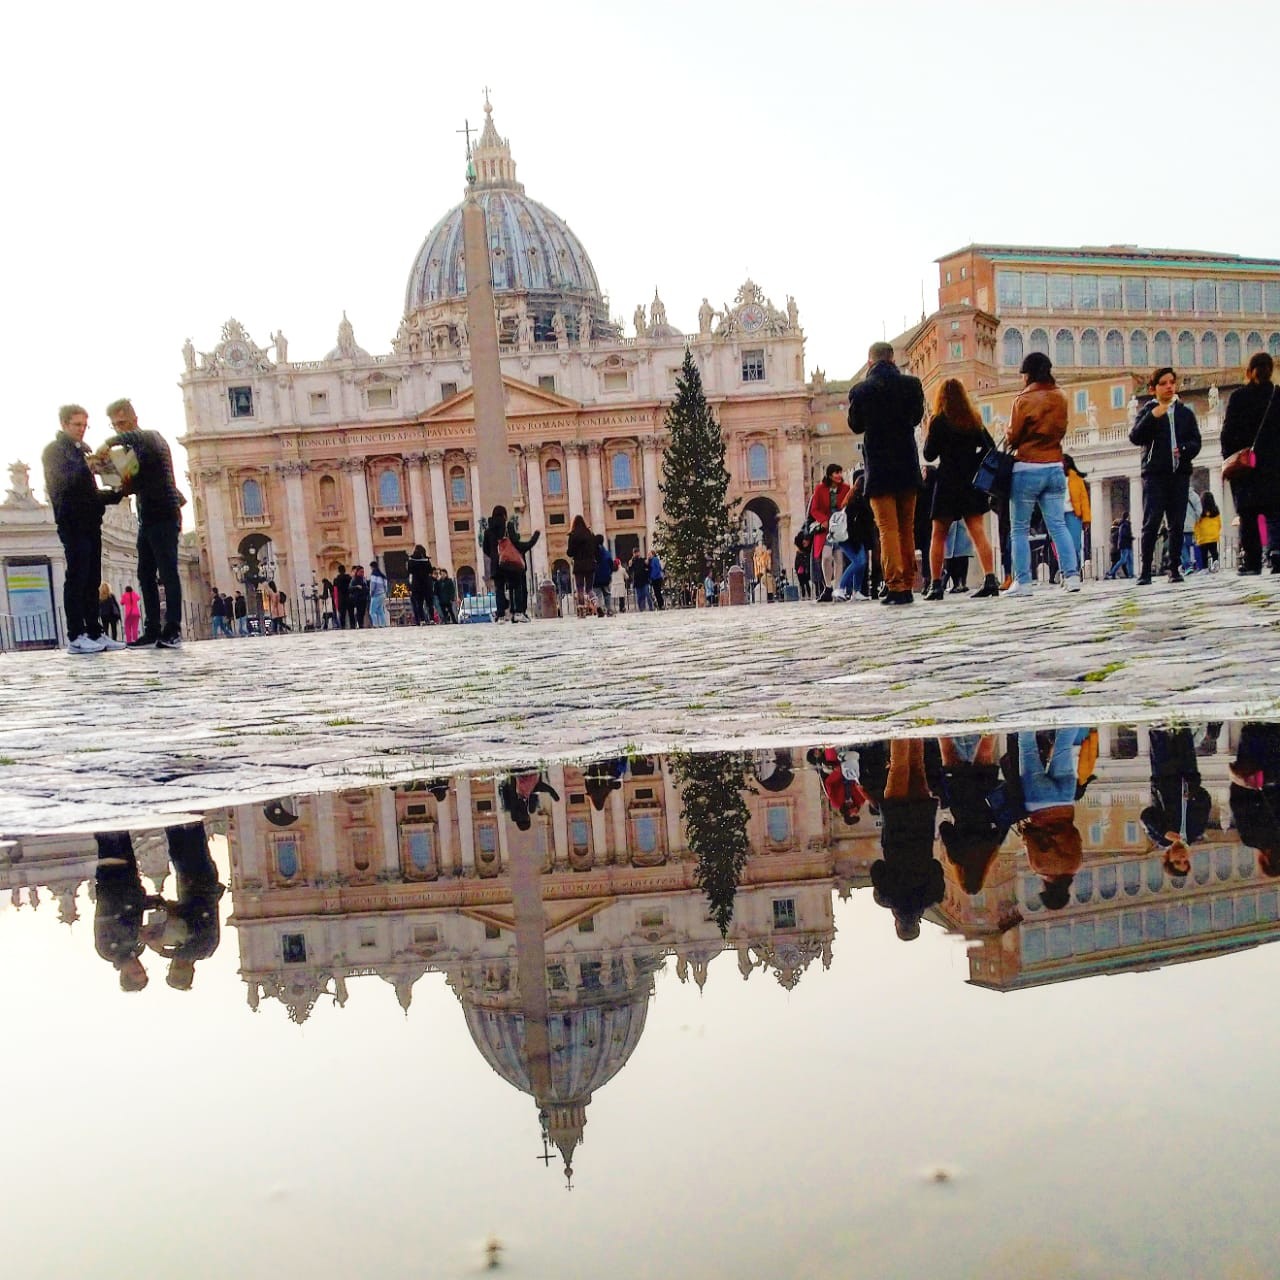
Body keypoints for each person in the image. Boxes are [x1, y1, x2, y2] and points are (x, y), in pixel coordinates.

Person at [92, 399, 186, 647]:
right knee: (145, 573)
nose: (119, 429)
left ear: (134, 419)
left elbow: (137, 438)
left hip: (165, 513)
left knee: (167, 572)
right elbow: (129, 485)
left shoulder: (150, 438)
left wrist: (107, 444)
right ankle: (153, 628)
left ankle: (173, 629)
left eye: (122, 423)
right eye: (114, 426)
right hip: (147, 517)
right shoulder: (134, 451)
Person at [41, 404, 127, 653]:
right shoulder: (54, 451)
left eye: (84, 425)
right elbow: (64, 483)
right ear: (64, 424)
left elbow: (89, 493)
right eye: (77, 425)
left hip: (91, 520)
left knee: (93, 579)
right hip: (72, 521)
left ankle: (95, 631)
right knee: (77, 577)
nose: (82, 430)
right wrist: (87, 466)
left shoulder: (83, 451)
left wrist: (116, 493)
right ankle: (76, 635)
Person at [847, 341, 926, 605]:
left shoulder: (861, 390)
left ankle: (894, 585)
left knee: (887, 529)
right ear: (893, 360)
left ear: (870, 362)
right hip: (906, 463)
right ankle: (907, 583)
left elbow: (856, 425)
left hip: (879, 467)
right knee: (906, 527)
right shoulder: (912, 385)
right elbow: (916, 418)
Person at [1002, 353, 1081, 597]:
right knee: (1058, 525)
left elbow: (1014, 437)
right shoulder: (1061, 397)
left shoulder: (1023, 399)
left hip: (1027, 466)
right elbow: (1063, 428)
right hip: (1055, 466)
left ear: (1029, 374)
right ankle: (1072, 575)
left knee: (1019, 529)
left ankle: (1023, 581)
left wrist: (1008, 433)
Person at [920, 378, 999, 600]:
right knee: (978, 532)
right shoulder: (972, 419)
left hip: (947, 481)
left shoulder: (938, 421)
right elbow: (990, 447)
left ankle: (936, 585)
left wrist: (929, 431)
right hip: (969, 481)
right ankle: (991, 579)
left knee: (938, 534)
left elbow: (929, 455)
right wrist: (972, 460)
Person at [1129, 367, 1201, 586]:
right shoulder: (1147, 411)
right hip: (1155, 474)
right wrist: (1152, 416)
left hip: (1179, 473)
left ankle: (1174, 568)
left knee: (1176, 524)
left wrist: (1185, 450)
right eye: (1164, 383)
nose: (1169, 386)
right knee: (1151, 523)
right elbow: (1135, 437)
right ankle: (1145, 571)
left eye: (1172, 382)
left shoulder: (1185, 413)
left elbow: (1196, 441)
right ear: (1153, 389)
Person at [869, 738, 943, 940]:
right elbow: (877, 867)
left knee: (917, 766)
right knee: (898, 768)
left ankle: (916, 732)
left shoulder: (931, 897)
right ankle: (901, 732)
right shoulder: (887, 897)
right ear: (897, 923)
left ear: (918, 923)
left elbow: (936, 866)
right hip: (896, 821)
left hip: (921, 820)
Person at [1221, 352, 1279, 575]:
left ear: (1249, 371)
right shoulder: (1278, 395)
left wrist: (1229, 458)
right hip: (1274, 467)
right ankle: (1276, 553)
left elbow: (1227, 434)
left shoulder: (1238, 397)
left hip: (1247, 465)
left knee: (1248, 515)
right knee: (1275, 513)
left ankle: (1253, 562)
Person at [806, 463, 852, 602]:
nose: (839, 475)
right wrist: (824, 520)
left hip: (840, 526)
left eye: (840, 472)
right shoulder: (820, 489)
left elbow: (848, 505)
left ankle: (837, 588)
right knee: (826, 556)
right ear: (829, 475)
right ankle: (828, 586)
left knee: (839, 557)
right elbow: (814, 509)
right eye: (836, 473)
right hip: (826, 527)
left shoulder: (846, 488)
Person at [1063, 454, 1092, 578]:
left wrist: (1086, 519)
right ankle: (1064, 571)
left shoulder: (1076, 479)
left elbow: (1084, 499)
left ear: (1067, 464)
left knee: (1075, 545)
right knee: (1062, 546)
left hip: (1074, 514)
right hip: (1059, 515)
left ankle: (1074, 570)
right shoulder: (1054, 477)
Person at [567, 515, 597, 613]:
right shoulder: (589, 533)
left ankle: (581, 610)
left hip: (579, 565)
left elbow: (570, 552)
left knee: (580, 588)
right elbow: (595, 549)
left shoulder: (573, 535)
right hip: (590, 564)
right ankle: (597, 604)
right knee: (589, 589)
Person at [407, 545, 436, 624]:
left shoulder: (411, 561)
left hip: (416, 584)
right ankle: (432, 619)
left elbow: (409, 571)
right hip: (426, 583)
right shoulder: (426, 560)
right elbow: (430, 571)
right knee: (429, 603)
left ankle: (422, 620)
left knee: (419, 603)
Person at [1193, 491, 1222, 571]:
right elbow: (1219, 523)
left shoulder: (1200, 511)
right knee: (1214, 551)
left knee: (1203, 554)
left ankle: (1205, 568)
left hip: (1203, 536)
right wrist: (1217, 531)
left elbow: (1196, 524)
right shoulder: (1215, 510)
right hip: (1213, 535)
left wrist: (1196, 534)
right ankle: (1215, 562)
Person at [1105, 511, 1134, 579]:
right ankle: (1111, 572)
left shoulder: (1124, 524)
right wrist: (1130, 537)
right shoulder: (1124, 524)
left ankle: (1130, 574)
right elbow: (1124, 534)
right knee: (1123, 560)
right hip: (1124, 544)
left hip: (1126, 544)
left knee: (1129, 560)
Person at [592, 534, 615, 616]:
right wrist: (610, 573)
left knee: (597, 595)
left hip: (595, 578)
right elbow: (611, 565)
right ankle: (609, 610)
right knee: (607, 594)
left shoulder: (592, 552)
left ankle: (600, 608)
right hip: (605, 577)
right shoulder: (606, 552)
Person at [1181, 486, 1202, 573]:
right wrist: (1196, 521)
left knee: (1182, 546)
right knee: (1195, 545)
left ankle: (1187, 565)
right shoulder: (1195, 496)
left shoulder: (1176, 494)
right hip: (1193, 526)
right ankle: (1199, 565)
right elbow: (1199, 511)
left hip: (1180, 526)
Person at [368, 557, 389, 627]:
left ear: (372, 567)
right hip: (382, 594)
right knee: (380, 611)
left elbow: (373, 585)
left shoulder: (374, 574)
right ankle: (383, 624)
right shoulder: (382, 576)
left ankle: (375, 624)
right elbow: (386, 585)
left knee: (372, 611)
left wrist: (371, 593)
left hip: (376, 594)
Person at [334, 563, 355, 629]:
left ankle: (343, 626)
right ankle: (352, 625)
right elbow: (352, 586)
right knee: (351, 613)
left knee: (342, 614)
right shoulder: (349, 578)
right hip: (349, 596)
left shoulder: (336, 579)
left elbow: (335, 590)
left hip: (341, 598)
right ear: (344, 570)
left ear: (339, 571)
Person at [793, 534, 812, 599]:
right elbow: (796, 562)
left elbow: (797, 562)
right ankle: (805, 595)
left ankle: (807, 595)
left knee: (805, 584)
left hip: (803, 570)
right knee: (803, 584)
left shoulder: (803, 553)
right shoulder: (800, 553)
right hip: (801, 570)